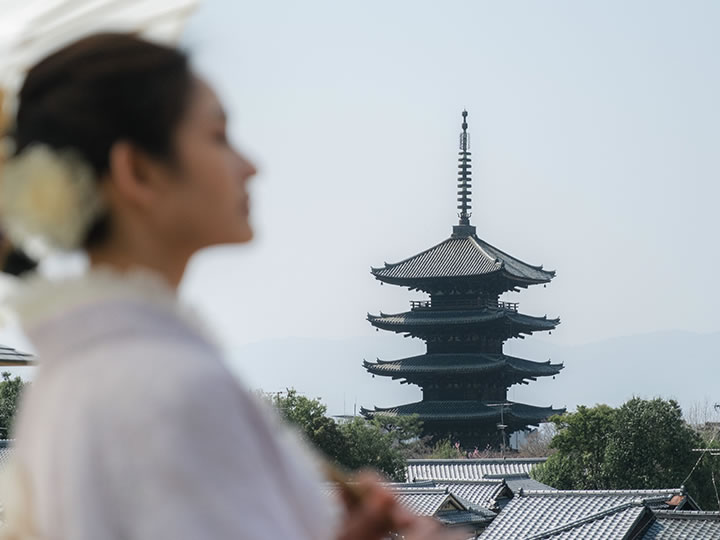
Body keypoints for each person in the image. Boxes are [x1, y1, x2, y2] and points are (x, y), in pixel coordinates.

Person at [0, 34, 460, 540]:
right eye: (218, 136)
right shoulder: (175, 390)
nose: (250, 165)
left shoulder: (72, 381)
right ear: (137, 170)